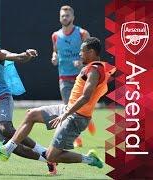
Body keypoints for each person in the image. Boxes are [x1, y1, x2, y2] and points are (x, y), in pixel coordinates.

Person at [0, 37, 116, 171]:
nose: (79, 54)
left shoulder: (94, 70)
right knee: (32, 115)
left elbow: (85, 97)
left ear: (91, 52)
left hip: (76, 117)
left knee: (51, 156)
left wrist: (66, 114)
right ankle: (7, 150)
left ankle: (90, 159)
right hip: (69, 110)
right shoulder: (99, 68)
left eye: (81, 51)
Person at [0, 24, 57, 175]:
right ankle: (48, 159)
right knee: (8, 145)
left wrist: (26, 54)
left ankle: (44, 151)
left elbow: (15, 56)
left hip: (2, 97)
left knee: (5, 129)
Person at [51, 5, 95, 147]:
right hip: (63, 77)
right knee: (67, 108)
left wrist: (82, 61)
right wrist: (54, 57)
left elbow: (92, 55)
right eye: (62, 15)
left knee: (82, 105)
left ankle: (89, 120)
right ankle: (76, 139)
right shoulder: (56, 35)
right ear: (59, 18)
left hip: (81, 76)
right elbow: (55, 51)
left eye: (67, 15)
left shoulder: (82, 34)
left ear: (73, 17)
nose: (65, 18)